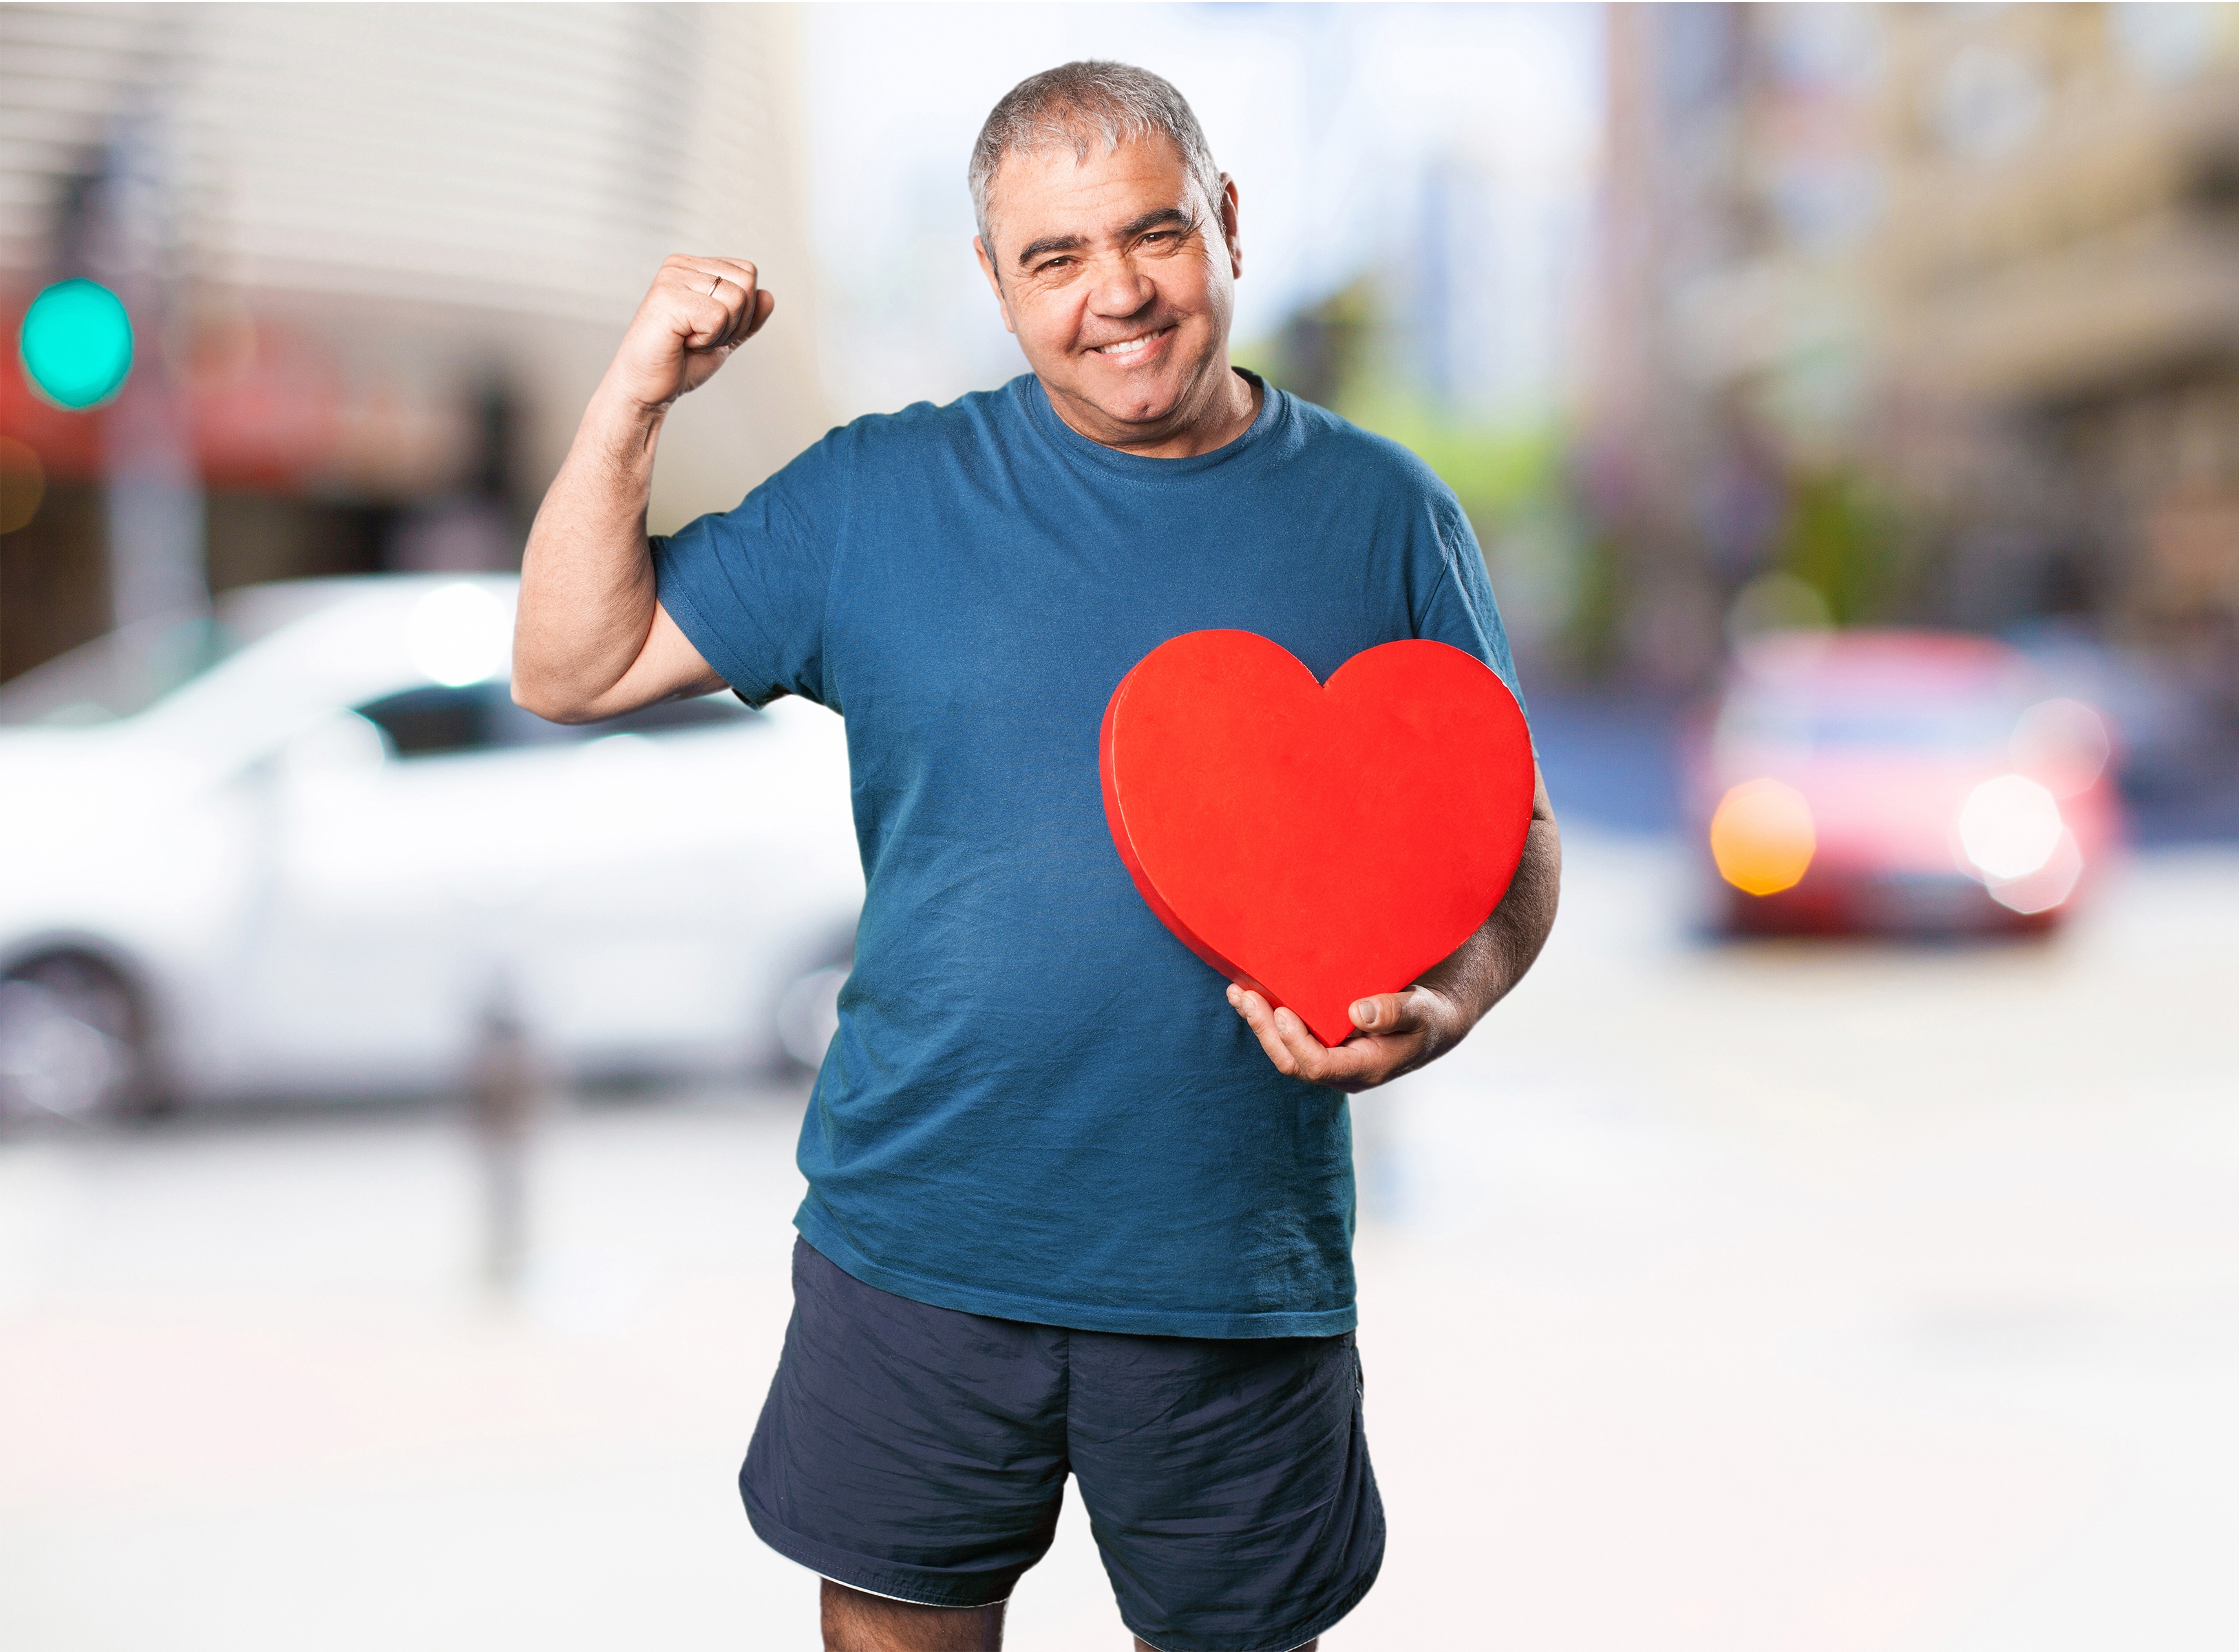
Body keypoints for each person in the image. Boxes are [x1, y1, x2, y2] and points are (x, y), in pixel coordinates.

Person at [513, 60, 1560, 1652]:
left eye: (1154, 235)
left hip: (1236, 1275)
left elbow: (1514, 833)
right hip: (919, 1251)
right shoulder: (880, 494)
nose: (1118, 295)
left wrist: (1457, 997)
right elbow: (570, 666)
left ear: (1227, 225)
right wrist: (640, 392)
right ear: (996, 285)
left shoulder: (1382, 513)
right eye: (1057, 259)